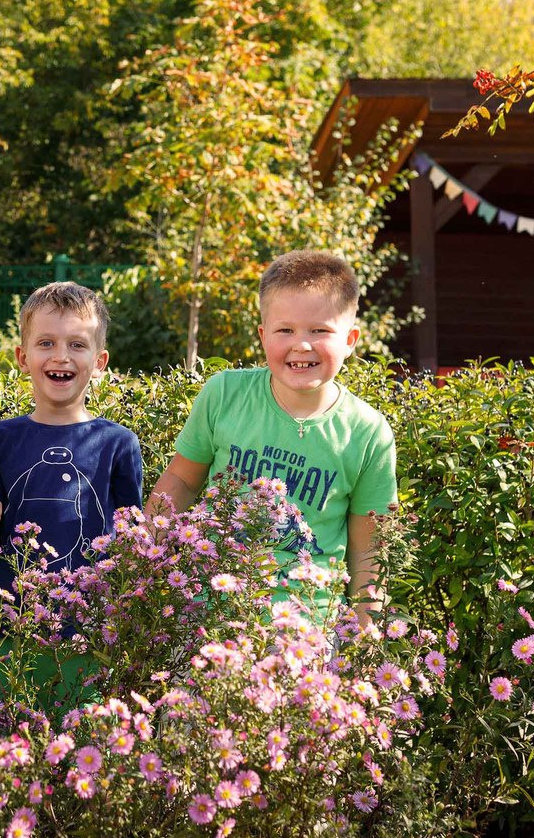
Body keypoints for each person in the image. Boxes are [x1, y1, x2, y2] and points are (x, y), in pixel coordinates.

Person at [146, 249, 396, 628]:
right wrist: (146, 552)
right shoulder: (224, 394)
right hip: (207, 612)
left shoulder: (368, 432)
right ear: (263, 335)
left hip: (308, 628)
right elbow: (181, 479)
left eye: (320, 330)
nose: (302, 344)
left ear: (351, 340)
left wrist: (365, 630)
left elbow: (368, 552)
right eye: (285, 330)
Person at [0, 281, 143, 716]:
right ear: (23, 358)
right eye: (46, 343)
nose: (61, 356)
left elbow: (131, 545)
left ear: (100, 362)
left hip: (86, 636)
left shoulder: (117, 444)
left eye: (77, 344)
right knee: (0, 750)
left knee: (79, 758)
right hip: (6, 633)